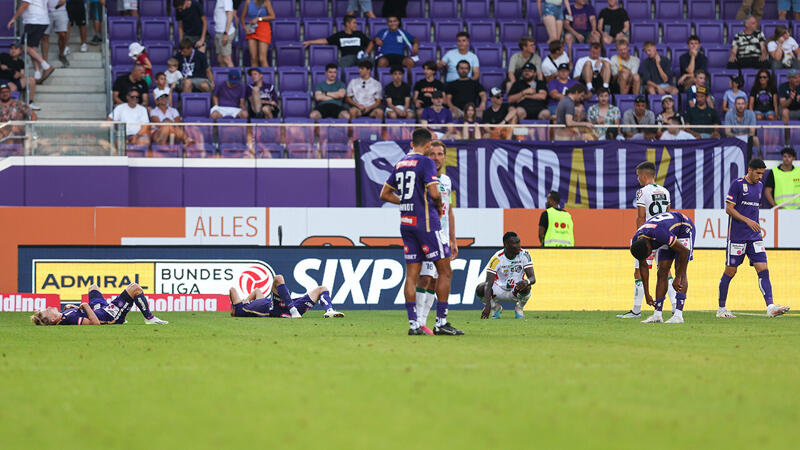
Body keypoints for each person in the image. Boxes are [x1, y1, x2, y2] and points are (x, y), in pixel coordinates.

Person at [379, 128, 463, 336]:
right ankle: (440, 322)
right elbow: (434, 193)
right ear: (427, 145)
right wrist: (437, 205)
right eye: (431, 150)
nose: (434, 156)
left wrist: (406, 202)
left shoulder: (400, 163)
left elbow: (384, 194)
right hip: (427, 225)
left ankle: (414, 324)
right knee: (445, 272)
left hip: (407, 223)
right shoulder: (425, 163)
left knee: (412, 275)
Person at [717, 159, 791, 318]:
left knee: (763, 269)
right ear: (750, 170)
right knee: (730, 271)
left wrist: (754, 223)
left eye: (762, 174)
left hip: (754, 237)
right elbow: (729, 209)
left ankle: (770, 307)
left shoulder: (759, 186)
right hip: (737, 236)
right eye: (758, 173)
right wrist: (747, 221)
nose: (760, 177)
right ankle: (721, 309)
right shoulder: (737, 184)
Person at [618, 162, 676, 319]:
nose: (637, 179)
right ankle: (675, 307)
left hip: (649, 237)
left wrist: (640, 237)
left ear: (644, 176)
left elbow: (641, 216)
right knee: (666, 271)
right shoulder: (665, 191)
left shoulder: (642, 192)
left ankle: (636, 310)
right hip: (664, 236)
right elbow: (669, 215)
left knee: (639, 271)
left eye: (638, 176)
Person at [415, 140, 457, 334]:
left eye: (440, 154)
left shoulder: (446, 181)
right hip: (427, 234)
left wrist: (453, 239)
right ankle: (418, 322)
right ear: (427, 156)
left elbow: (449, 211)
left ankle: (429, 322)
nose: (436, 158)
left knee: (436, 278)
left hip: (443, 237)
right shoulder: (422, 178)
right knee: (425, 278)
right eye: (432, 154)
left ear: (445, 157)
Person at [630, 211, 694, 323]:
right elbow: (643, 266)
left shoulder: (659, 233)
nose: (648, 256)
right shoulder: (637, 241)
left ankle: (678, 315)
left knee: (680, 268)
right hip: (667, 232)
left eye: (648, 254)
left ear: (649, 246)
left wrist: (678, 277)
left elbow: (684, 252)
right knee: (662, 271)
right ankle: (657, 315)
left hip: (683, 228)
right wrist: (647, 294)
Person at [30, 283, 168, 326]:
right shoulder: (69, 318)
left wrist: (70, 307)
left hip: (100, 309)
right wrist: (85, 305)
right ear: (52, 319)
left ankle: (122, 309)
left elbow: (76, 314)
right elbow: (95, 323)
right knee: (135, 288)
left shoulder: (64, 314)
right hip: (108, 315)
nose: (48, 307)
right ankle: (149, 318)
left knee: (93, 287)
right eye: (46, 311)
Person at [229, 274, 344, 319]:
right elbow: (232, 290)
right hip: (275, 309)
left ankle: (329, 311)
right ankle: (293, 311)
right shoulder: (240, 309)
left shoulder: (249, 304)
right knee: (278, 278)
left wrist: (247, 299)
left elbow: (257, 291)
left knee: (322, 289)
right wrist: (241, 303)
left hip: (287, 305)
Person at [477, 231, 535, 320]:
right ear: (506, 244)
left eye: (518, 242)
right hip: (499, 290)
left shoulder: (524, 254)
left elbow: (533, 278)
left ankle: (519, 308)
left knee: (527, 286)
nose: (518, 246)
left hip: (516, 289)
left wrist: (526, 281)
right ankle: (495, 307)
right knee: (480, 288)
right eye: (515, 243)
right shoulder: (497, 258)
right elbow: (488, 283)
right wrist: (488, 305)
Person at [8, 0, 55, 83]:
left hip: (34, 21)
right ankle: (37, 74)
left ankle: (46, 66)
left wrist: (13, 18)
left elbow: (24, 5)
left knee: (24, 46)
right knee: (33, 49)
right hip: (42, 20)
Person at [303, 14, 373, 68]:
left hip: (360, 57)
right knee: (341, 66)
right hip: (347, 58)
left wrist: (365, 53)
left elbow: (371, 43)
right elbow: (325, 40)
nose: (356, 25)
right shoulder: (339, 35)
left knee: (370, 63)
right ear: (347, 24)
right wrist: (310, 42)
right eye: (354, 23)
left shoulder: (359, 34)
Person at [0, 43, 39, 110]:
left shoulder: (21, 62)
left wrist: (19, 74)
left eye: (16, 48)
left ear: (20, 51)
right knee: (13, 87)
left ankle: (30, 103)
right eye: (11, 48)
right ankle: (8, 107)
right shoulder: (4, 55)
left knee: (31, 80)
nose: (13, 50)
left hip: (15, 80)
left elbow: (22, 75)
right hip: (3, 79)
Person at [241, 0, 275, 68]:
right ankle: (255, 74)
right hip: (252, 29)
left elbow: (273, 16)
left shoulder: (266, 2)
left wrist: (259, 19)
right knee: (253, 58)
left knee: (262, 58)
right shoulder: (248, 2)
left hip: (263, 28)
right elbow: (242, 17)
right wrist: (245, 28)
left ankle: (267, 74)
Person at [42, 0, 70, 68]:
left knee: (63, 35)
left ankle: (61, 54)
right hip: (46, 12)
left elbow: (62, 1)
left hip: (61, 11)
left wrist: (55, 7)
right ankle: (45, 61)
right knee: (45, 36)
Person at [213, 0, 237, 67]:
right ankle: (224, 74)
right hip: (219, 32)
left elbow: (230, 15)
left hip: (225, 33)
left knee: (227, 59)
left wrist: (226, 33)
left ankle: (233, 74)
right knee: (220, 59)